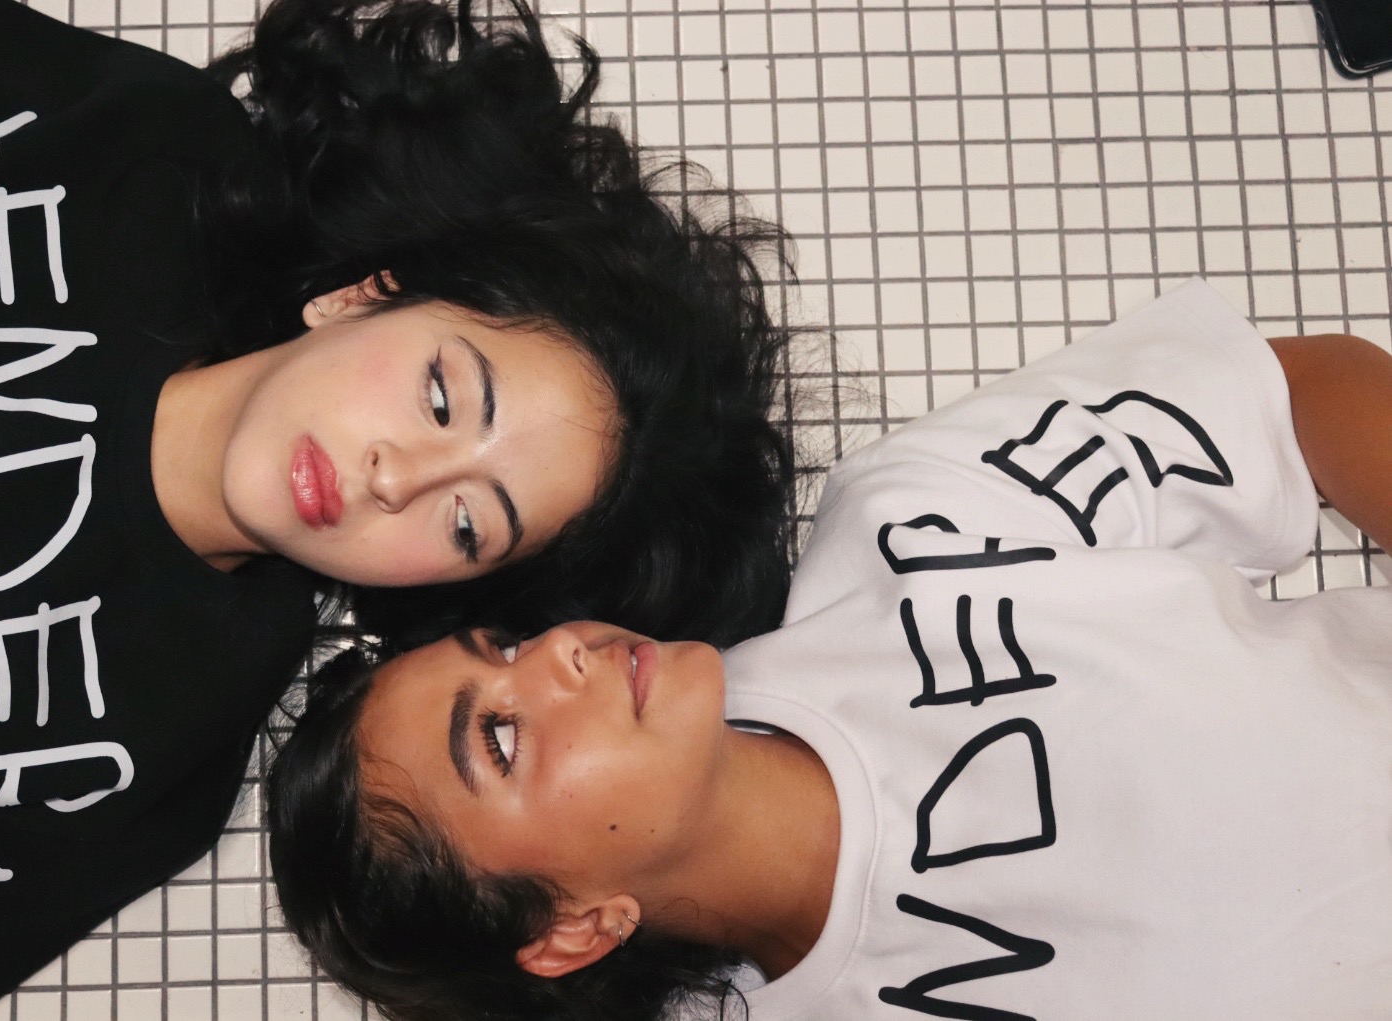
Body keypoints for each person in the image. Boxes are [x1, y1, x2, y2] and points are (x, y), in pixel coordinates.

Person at [0, 0, 795, 1015]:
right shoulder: (157, 161)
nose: (400, 478)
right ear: (367, 293)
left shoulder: (128, 751)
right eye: (443, 395)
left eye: (470, 525)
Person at [268, 278, 1392, 1021]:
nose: (557, 655)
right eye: (500, 738)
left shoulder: (916, 532)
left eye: (504, 641)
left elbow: (1291, 398)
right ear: (573, 928)